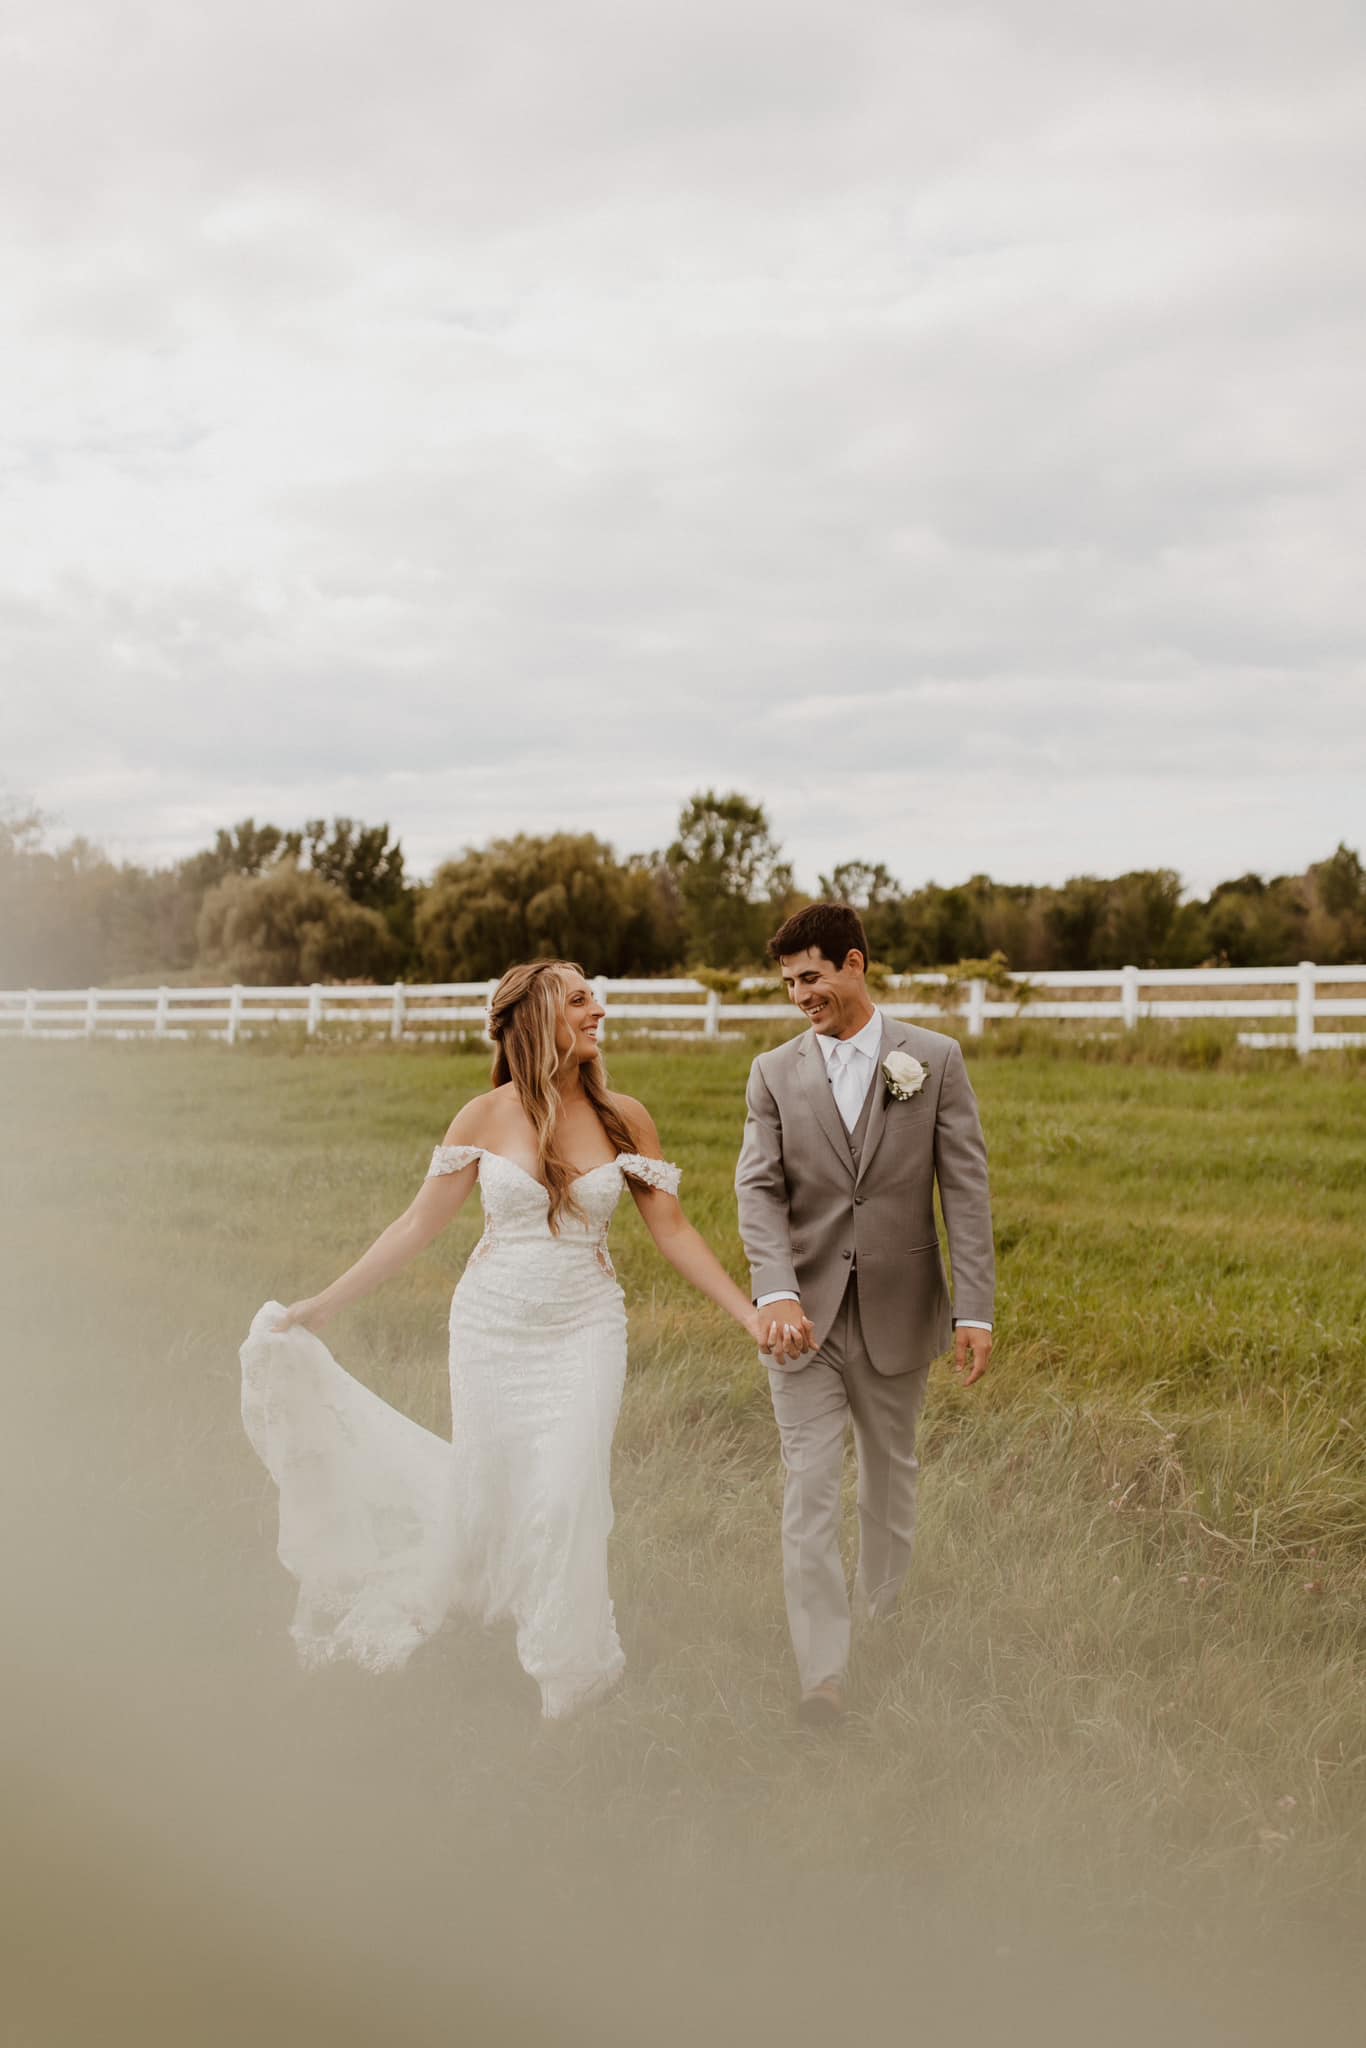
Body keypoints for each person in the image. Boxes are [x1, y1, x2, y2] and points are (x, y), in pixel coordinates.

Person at [240, 960, 761, 1721]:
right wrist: (326, 1302)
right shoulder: (482, 1117)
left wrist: (749, 1317)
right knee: (490, 1490)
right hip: (490, 1329)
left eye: (595, 998)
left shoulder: (625, 1117)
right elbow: (417, 1225)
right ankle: (488, 1611)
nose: (598, 1011)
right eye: (581, 1000)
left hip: (585, 1327)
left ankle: (569, 1675)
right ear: (539, 1017)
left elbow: (673, 1230)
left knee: (566, 1494)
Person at [735, 903, 995, 1727]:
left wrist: (975, 1309)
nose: (799, 996)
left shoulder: (935, 1060)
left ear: (854, 964)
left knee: (890, 1478)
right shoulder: (773, 1074)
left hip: (899, 1310)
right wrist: (773, 1289)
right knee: (810, 1484)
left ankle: (883, 1618)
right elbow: (758, 1189)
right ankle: (824, 1672)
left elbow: (965, 1189)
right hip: (800, 1321)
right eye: (787, 984)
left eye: (810, 977)